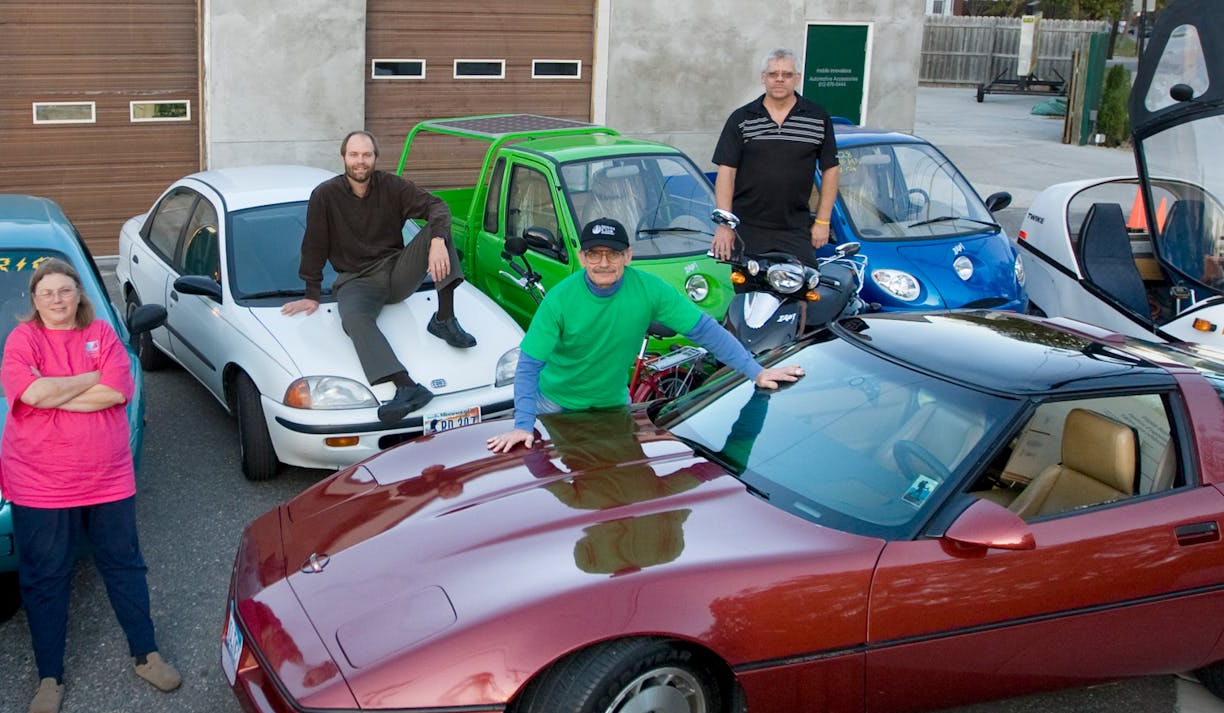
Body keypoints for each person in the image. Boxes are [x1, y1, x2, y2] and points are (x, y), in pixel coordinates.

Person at [0, 259, 180, 713]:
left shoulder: (101, 331)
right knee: (46, 576)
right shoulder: (23, 340)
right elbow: (30, 395)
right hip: (39, 482)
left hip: (106, 477)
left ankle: (147, 654)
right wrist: (87, 379)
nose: (57, 300)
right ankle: (49, 677)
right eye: (47, 293)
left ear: (79, 293)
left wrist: (55, 389)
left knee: (124, 564)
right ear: (35, 301)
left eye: (65, 290)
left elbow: (117, 392)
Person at [485, 219, 803, 454]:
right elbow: (528, 367)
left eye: (613, 253)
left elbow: (705, 330)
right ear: (582, 258)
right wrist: (522, 425)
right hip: (553, 403)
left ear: (628, 256)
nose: (604, 262)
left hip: (611, 406)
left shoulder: (650, 289)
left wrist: (756, 371)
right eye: (594, 254)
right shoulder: (560, 299)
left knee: (624, 481)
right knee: (542, 479)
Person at [283, 130, 477, 424]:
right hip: (355, 280)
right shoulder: (325, 195)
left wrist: (437, 241)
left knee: (438, 228)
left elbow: (438, 206)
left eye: (366, 155)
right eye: (354, 155)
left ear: (375, 158)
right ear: (343, 158)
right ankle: (407, 387)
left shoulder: (392, 187)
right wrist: (311, 293)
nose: (360, 161)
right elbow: (314, 244)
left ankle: (444, 319)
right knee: (354, 320)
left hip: (396, 270)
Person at [709, 49, 842, 265]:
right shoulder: (742, 118)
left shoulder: (817, 118)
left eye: (787, 74)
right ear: (764, 77)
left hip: (795, 229)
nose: (779, 79)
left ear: (797, 78)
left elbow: (831, 169)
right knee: (750, 297)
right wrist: (725, 225)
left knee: (801, 294)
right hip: (747, 228)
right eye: (773, 74)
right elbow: (727, 171)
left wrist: (823, 221)